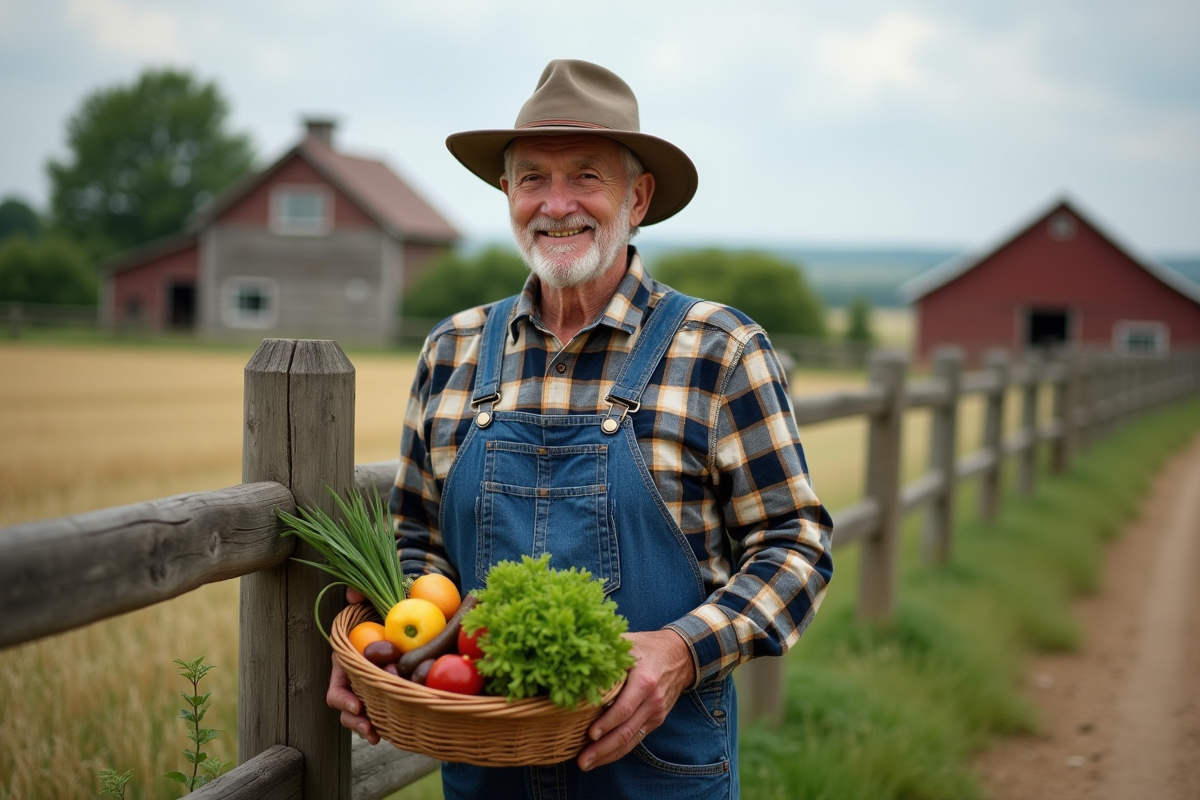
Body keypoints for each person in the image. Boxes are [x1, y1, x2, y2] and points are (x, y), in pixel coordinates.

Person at [327, 58, 834, 799]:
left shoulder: (720, 349)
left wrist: (681, 651)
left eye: (586, 176)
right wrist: (379, 651)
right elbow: (417, 543)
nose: (556, 204)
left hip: (659, 770)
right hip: (486, 772)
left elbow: (797, 547)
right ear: (507, 193)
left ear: (639, 197)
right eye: (532, 177)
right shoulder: (454, 349)